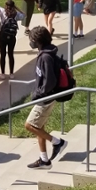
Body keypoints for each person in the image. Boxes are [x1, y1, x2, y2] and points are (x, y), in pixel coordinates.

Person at [24, 26, 67, 169]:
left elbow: (50, 81)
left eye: (31, 39)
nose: (30, 42)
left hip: (45, 98)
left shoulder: (46, 57)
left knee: (29, 125)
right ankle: (44, 160)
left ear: (37, 41)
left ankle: (57, 142)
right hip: (46, 96)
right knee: (39, 127)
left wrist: (38, 94)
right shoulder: (46, 53)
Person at [0, 0, 25, 76]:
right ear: (13, 6)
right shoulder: (16, 14)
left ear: (6, 5)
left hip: (2, 37)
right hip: (12, 37)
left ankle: (2, 74)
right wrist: (16, 8)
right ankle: (11, 73)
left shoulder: (2, 12)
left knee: (3, 55)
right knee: (10, 54)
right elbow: (24, 15)